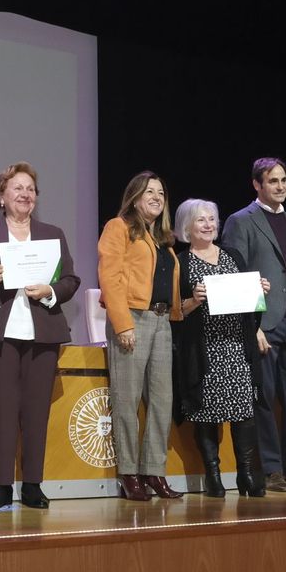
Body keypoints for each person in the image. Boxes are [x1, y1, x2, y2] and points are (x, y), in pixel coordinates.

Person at [0, 162, 81, 509]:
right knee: (1, 411)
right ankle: (0, 486)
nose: (25, 194)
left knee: (36, 411)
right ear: (1, 197)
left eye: (30, 189)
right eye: (17, 188)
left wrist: (50, 290)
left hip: (43, 334)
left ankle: (32, 485)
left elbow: (71, 280)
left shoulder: (52, 233)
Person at [219, 158, 286, 492]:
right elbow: (234, 272)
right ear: (257, 185)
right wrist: (252, 324)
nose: (281, 186)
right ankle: (271, 469)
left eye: (284, 180)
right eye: (273, 181)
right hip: (264, 321)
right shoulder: (241, 221)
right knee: (264, 396)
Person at [172, 198, 269, 498]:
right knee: (206, 413)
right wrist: (193, 301)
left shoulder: (233, 255)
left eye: (212, 219)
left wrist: (259, 292)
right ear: (186, 226)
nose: (209, 224)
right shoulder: (181, 262)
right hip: (204, 350)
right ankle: (213, 475)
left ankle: (248, 475)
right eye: (201, 220)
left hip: (237, 347)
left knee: (243, 411)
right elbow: (175, 312)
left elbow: (249, 308)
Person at [97, 171, 182, 501]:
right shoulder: (118, 227)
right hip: (132, 318)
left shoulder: (161, 238)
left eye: (161, 192)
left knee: (162, 402)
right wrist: (122, 324)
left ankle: (154, 472)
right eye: (150, 191)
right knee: (127, 401)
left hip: (162, 321)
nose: (157, 197)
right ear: (134, 196)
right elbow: (110, 276)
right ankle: (129, 474)